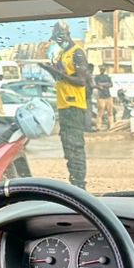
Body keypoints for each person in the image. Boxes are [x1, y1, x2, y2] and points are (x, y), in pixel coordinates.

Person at [44, 22, 90, 188]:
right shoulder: (63, 54)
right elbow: (61, 78)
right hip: (64, 107)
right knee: (69, 147)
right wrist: (52, 70)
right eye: (55, 38)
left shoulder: (77, 53)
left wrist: (58, 72)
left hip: (74, 106)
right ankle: (75, 182)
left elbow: (81, 80)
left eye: (60, 37)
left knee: (75, 146)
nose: (58, 40)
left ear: (67, 35)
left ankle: (79, 185)